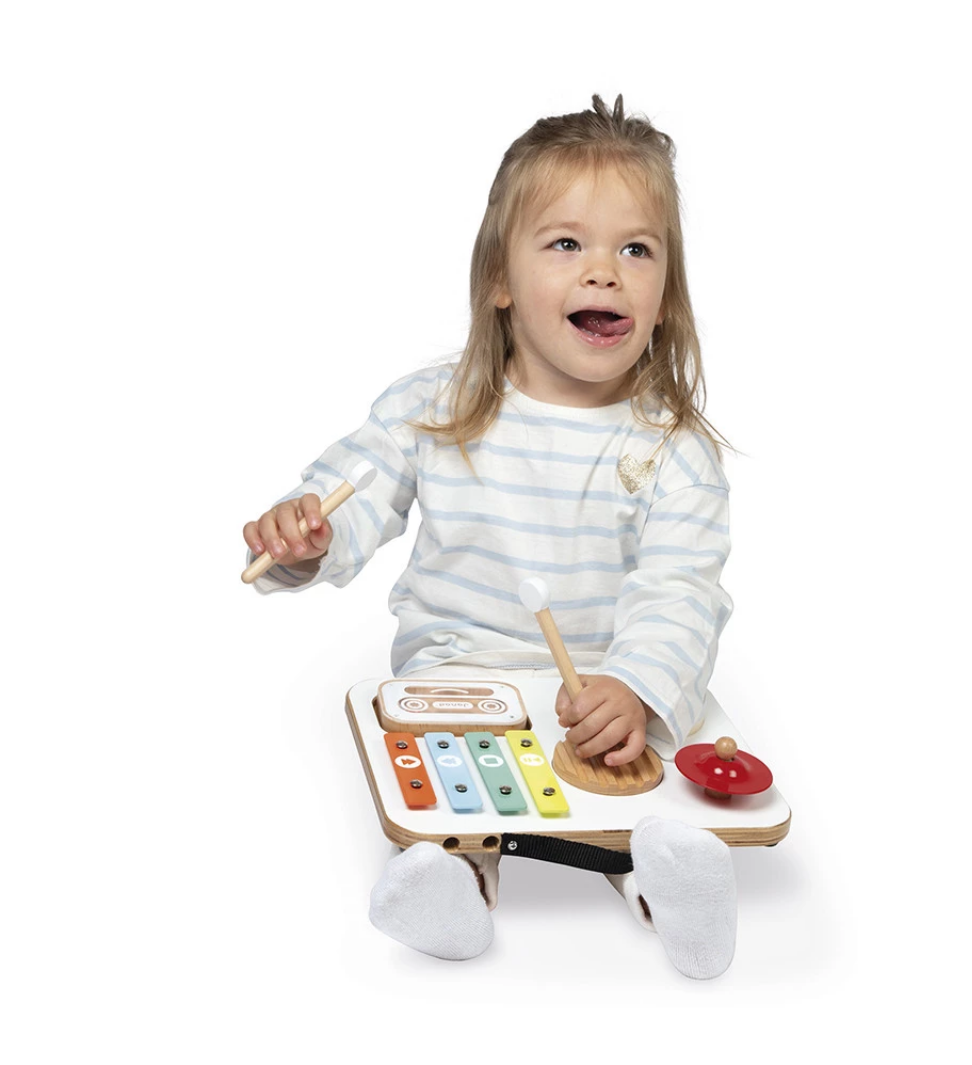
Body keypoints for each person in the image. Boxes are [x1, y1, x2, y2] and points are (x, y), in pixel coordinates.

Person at [243, 95, 738, 979]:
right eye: (566, 243)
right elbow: (351, 493)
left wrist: (635, 685)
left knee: (638, 789)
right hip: (459, 676)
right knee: (452, 798)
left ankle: (671, 889)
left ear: (665, 296)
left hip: (603, 689)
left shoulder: (673, 449)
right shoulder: (435, 406)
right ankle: (456, 889)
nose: (604, 272)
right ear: (498, 281)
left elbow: (681, 590)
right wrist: (306, 531)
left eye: (636, 249)